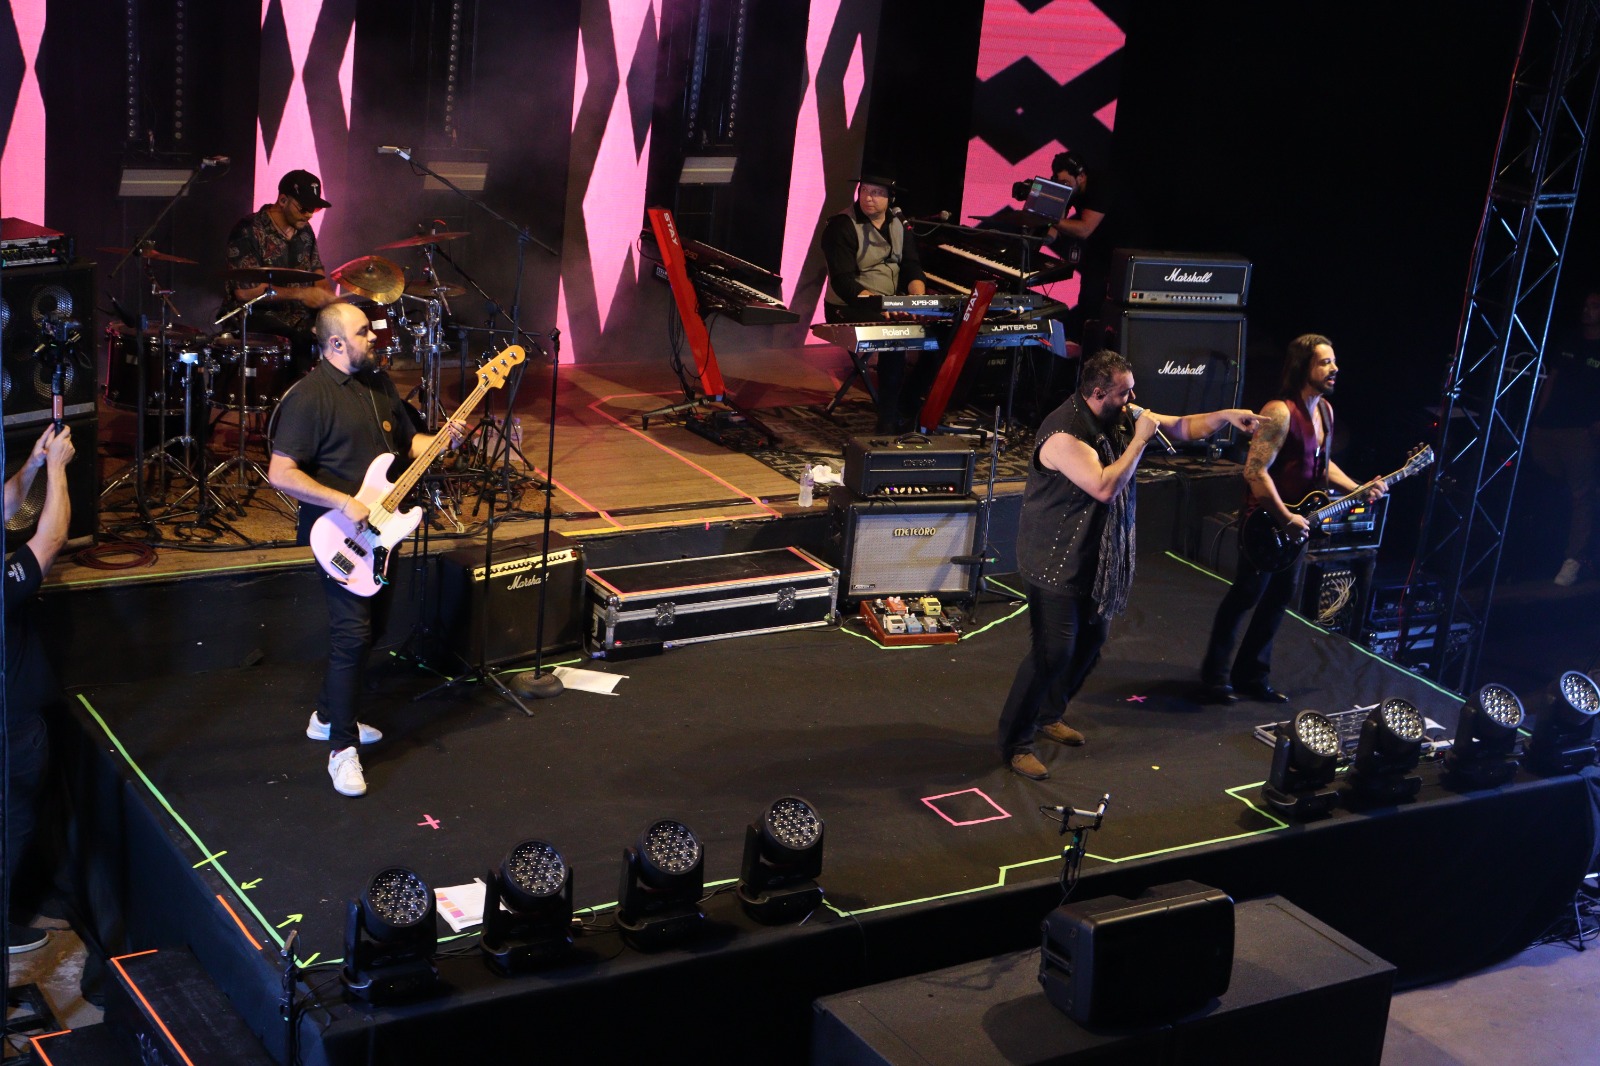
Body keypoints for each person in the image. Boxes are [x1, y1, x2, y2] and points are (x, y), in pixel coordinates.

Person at [998, 351, 1260, 779]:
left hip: (1094, 556)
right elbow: (1105, 487)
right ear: (1098, 393)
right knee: (1053, 652)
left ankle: (1049, 714)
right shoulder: (1064, 435)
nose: (1133, 399)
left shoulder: (1116, 414)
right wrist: (1139, 441)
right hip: (1054, 558)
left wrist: (1226, 416)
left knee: (1092, 640)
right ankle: (1015, 742)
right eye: (1125, 392)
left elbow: (1180, 426)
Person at [266, 303, 463, 797]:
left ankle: (327, 715)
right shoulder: (309, 396)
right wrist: (342, 500)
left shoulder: (378, 384)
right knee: (351, 635)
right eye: (363, 332)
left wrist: (442, 441)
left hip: (382, 532)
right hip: (337, 534)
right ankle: (342, 748)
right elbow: (281, 472)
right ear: (335, 343)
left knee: (373, 629)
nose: (374, 337)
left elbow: (408, 444)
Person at [1200, 334, 1386, 704]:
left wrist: (1357, 487)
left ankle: (1251, 676)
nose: (1334, 369)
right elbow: (1255, 471)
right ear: (1304, 367)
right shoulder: (1280, 412)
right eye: (1325, 362)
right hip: (1266, 523)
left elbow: (1321, 465)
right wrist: (1284, 517)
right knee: (1246, 595)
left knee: (1278, 599)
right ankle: (1215, 677)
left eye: (1334, 361)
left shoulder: (1325, 412)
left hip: (1299, 525)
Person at [4, 423, 75, 953]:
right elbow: (49, 541)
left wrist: (30, 466)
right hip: (10, 728)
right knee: (13, 824)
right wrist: (55, 469)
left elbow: (4, 508)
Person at [821, 175, 932, 432]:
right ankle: (887, 423)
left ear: (890, 198)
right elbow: (843, 283)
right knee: (896, 337)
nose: (868, 198)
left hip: (890, 304)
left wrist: (917, 301)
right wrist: (881, 306)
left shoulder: (898, 224)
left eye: (877, 193)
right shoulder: (841, 225)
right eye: (865, 191)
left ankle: (908, 403)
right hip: (848, 306)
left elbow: (911, 266)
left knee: (940, 333)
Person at [219, 169, 338, 373]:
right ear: (283, 200)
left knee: (339, 327)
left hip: (298, 316)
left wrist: (331, 300)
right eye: (304, 208)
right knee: (298, 338)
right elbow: (245, 292)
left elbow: (317, 274)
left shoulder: (305, 231)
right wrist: (302, 294)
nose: (309, 215)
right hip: (256, 317)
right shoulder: (248, 230)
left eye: (314, 209)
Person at [1530, 289, 1600, 586]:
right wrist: (1537, 418)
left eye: (1594, 306)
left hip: (1580, 430)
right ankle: (1536, 553)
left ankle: (1573, 561)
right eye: (1586, 305)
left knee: (1581, 495)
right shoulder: (1570, 340)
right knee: (1545, 486)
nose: (1587, 310)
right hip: (1549, 427)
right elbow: (1552, 379)